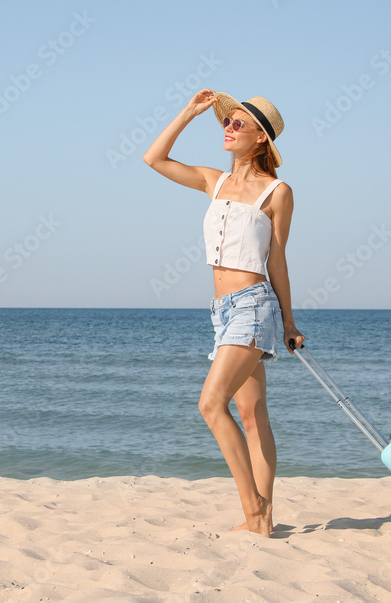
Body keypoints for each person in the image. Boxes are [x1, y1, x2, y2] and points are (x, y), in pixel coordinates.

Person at [143, 89, 304, 536]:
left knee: (211, 405)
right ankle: (265, 519)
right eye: (227, 122)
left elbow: (277, 260)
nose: (229, 127)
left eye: (239, 124)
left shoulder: (277, 192)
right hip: (221, 311)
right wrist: (190, 113)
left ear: (261, 141)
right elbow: (154, 158)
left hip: (254, 306)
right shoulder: (213, 182)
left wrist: (289, 322)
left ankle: (254, 509)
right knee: (252, 417)